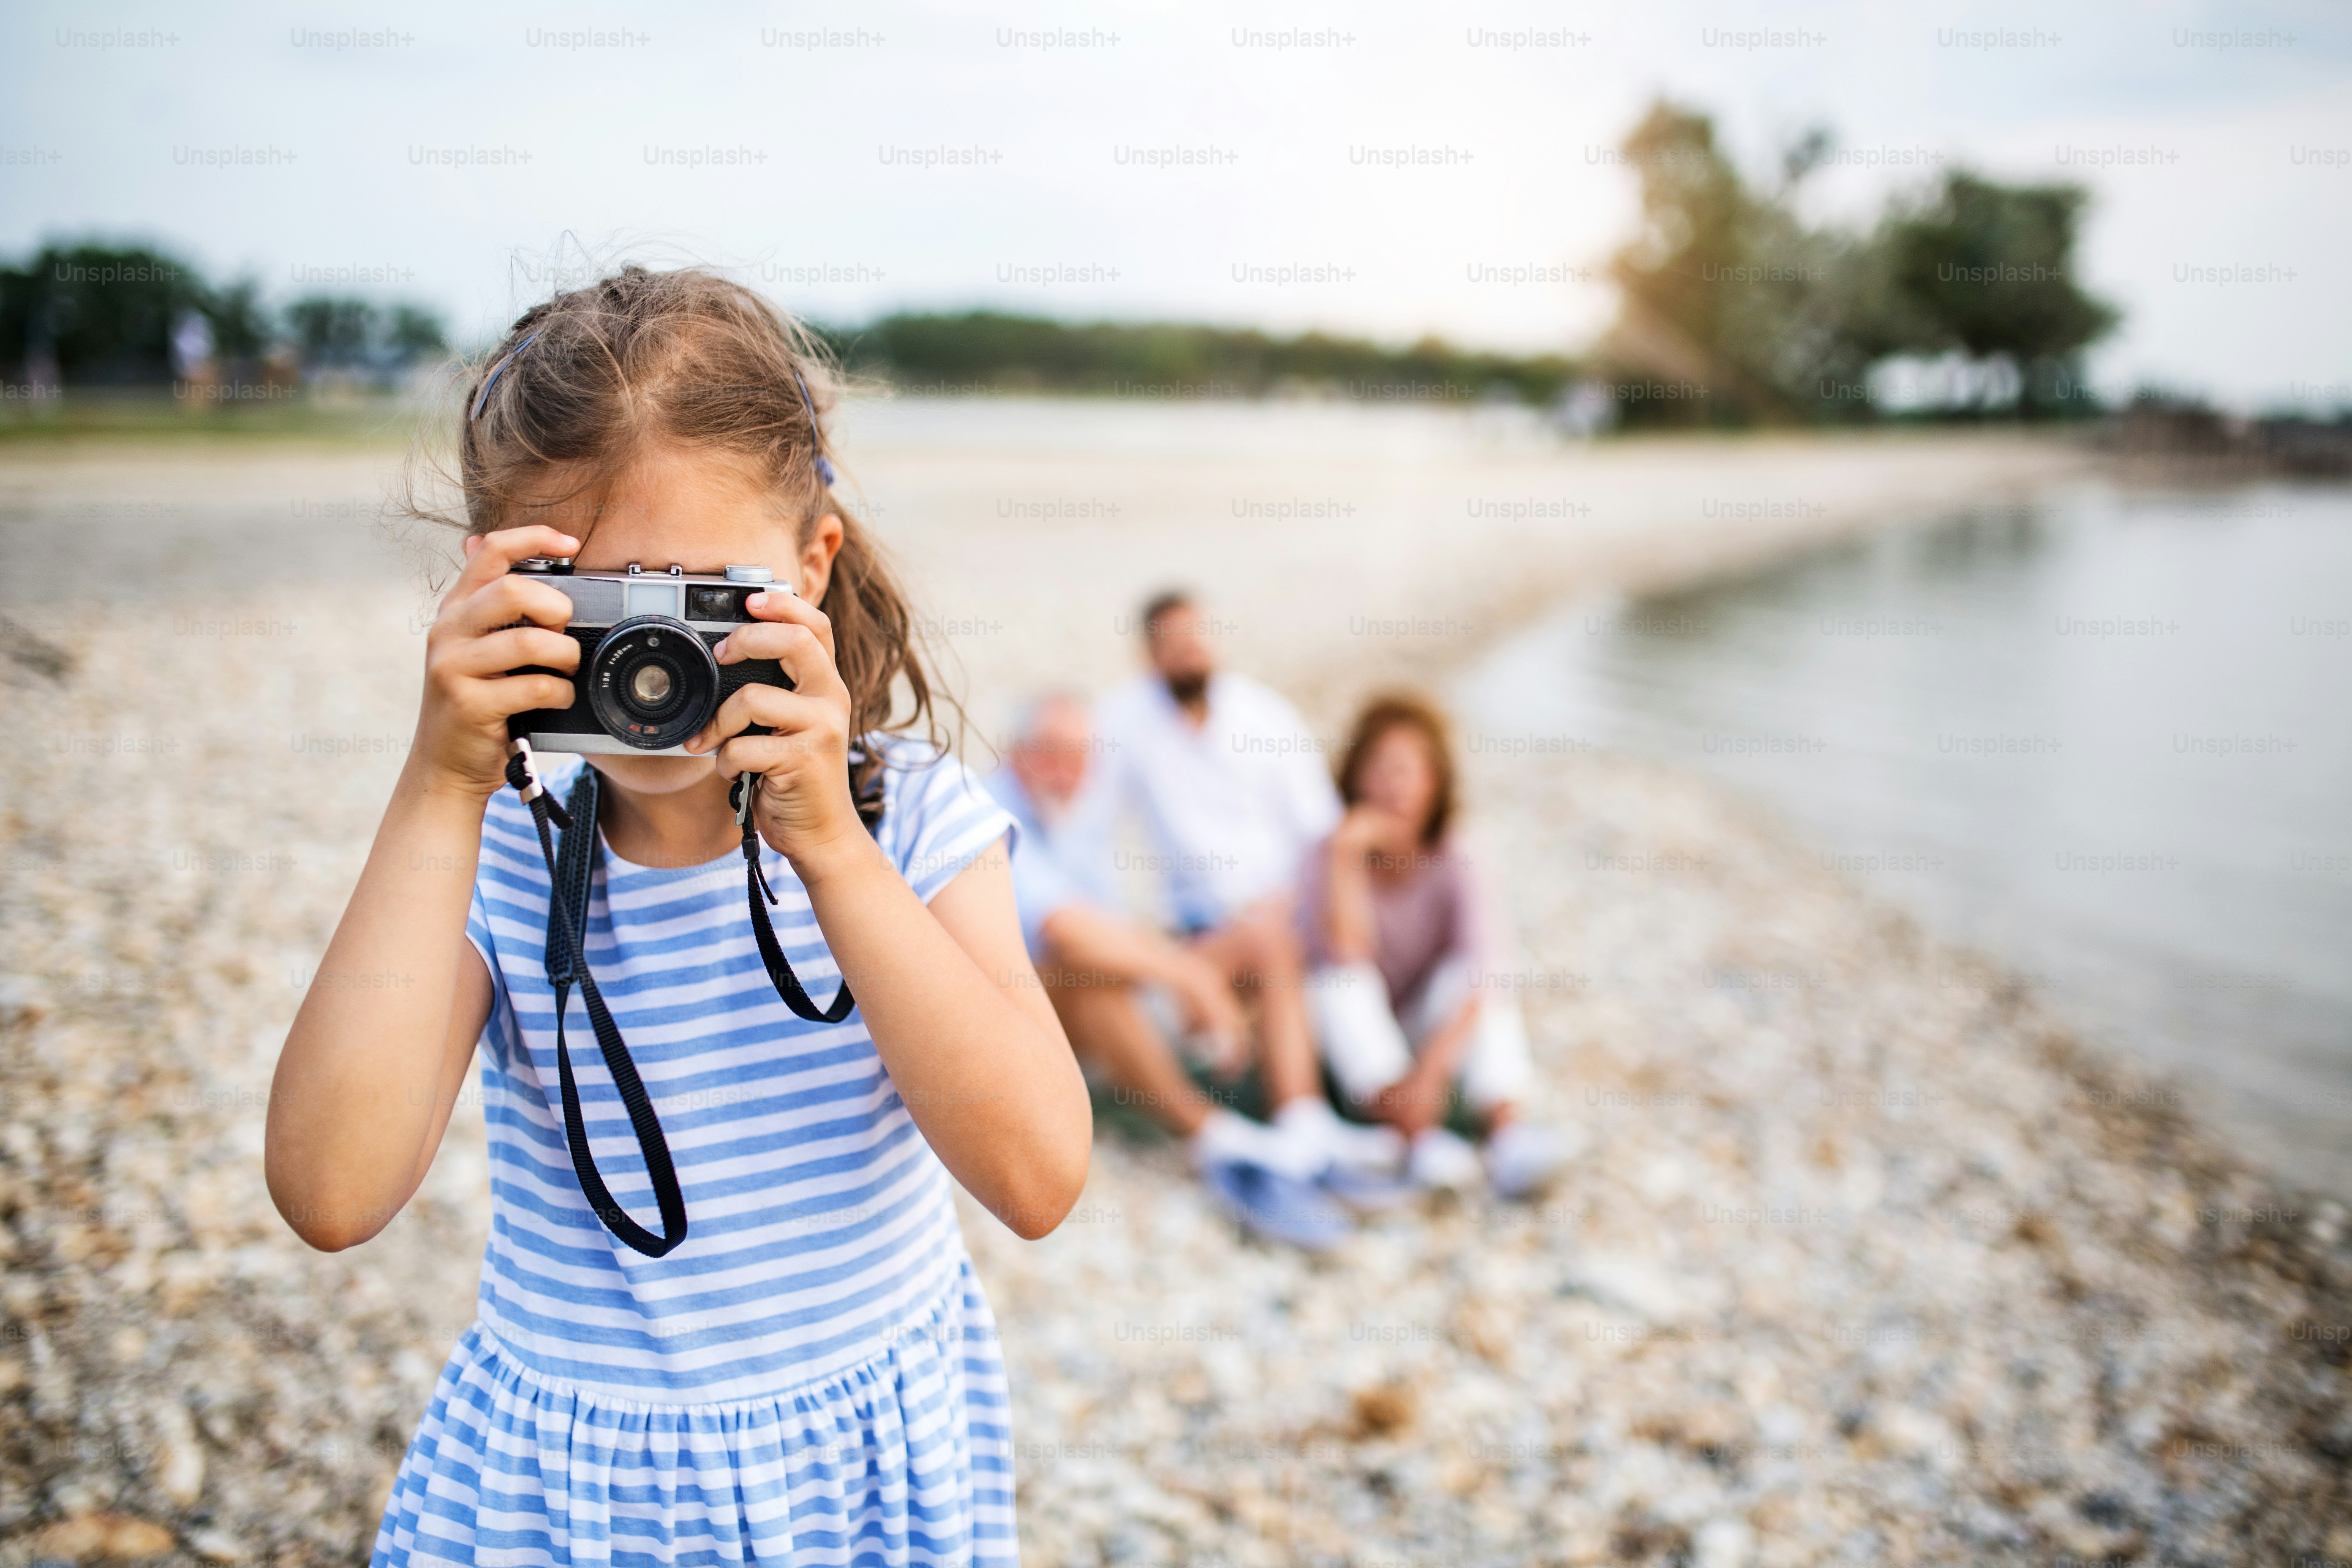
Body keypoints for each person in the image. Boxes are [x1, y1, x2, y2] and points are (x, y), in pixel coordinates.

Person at [264, 268, 1090, 1568]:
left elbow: (1037, 1177)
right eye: (592, 609)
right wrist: (438, 781)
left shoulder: (910, 820)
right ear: (490, 594)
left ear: (811, 567)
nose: (648, 668)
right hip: (576, 1495)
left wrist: (827, 844)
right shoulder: (489, 847)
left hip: (853, 1474)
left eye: (698, 603)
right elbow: (328, 1188)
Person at [986, 691, 1362, 1249]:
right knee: (1087, 970)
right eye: (1050, 753)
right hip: (1033, 1017)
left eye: (1078, 756)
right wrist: (1191, 977)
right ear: (1017, 753)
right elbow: (1061, 929)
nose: (1066, 771)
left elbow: (1113, 927)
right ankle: (1212, 1135)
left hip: (1108, 989)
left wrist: (1185, 970)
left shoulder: (1076, 813)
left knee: (1266, 941)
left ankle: (1302, 1121)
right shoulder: (991, 812)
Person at [1091, 591, 1406, 1188]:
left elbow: (1319, 836)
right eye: (1173, 644)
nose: (1188, 653)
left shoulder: (1265, 717)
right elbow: (1093, 830)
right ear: (1150, 655)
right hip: (1197, 930)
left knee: (1275, 942)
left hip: (1279, 911)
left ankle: (1307, 1120)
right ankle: (1301, 1118)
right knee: (1266, 946)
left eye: (1196, 638)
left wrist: (1287, 905)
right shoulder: (1125, 722)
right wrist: (1128, 930)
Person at [1301, 691, 1572, 1198]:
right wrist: (1345, 856)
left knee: (1475, 983)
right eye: (1379, 769)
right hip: (1362, 1035)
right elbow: (1345, 953)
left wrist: (1431, 1071)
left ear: (1435, 781)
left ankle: (1507, 1133)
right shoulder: (1328, 850)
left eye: (1407, 771)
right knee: (1336, 983)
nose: (1393, 787)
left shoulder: (1459, 853)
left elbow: (1486, 971)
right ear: (1356, 776)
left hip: (1430, 1020)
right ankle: (1418, 1138)